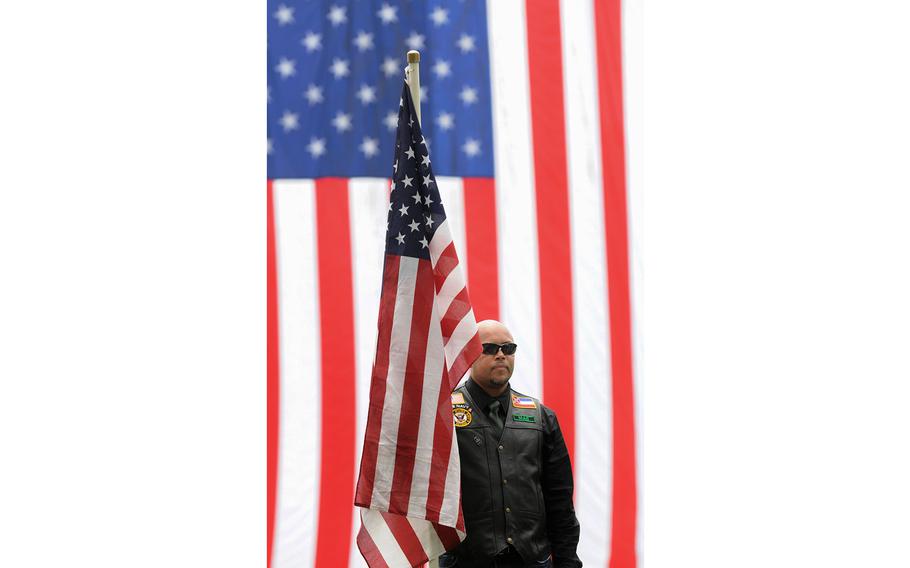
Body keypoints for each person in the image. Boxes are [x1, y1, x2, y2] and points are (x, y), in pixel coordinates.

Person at [440, 320, 582, 568]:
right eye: (490, 348)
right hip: (465, 561)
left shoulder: (541, 417)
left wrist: (568, 562)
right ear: (470, 353)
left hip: (530, 560)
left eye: (509, 348)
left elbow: (559, 501)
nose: (501, 355)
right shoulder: (443, 414)